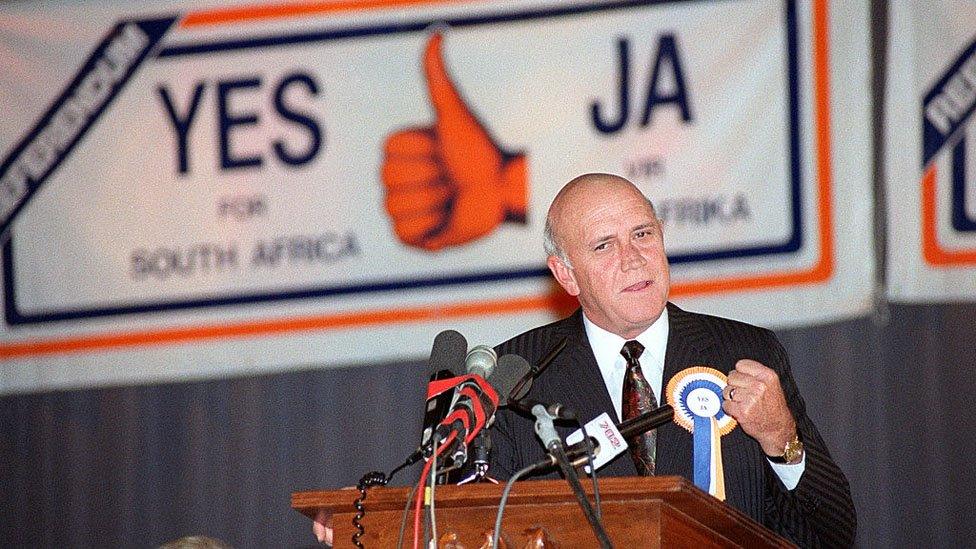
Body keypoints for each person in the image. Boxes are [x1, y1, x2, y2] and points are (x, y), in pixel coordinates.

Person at [488, 173, 856, 547]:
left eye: (642, 234)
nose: (632, 260)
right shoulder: (513, 375)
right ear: (566, 274)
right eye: (604, 246)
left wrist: (781, 439)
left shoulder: (747, 353)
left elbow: (832, 535)